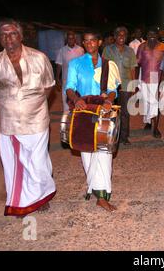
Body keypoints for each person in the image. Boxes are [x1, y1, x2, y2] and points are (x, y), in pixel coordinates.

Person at [0, 20, 56, 217]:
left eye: (12, 34)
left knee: (38, 162)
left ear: (21, 36)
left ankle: (42, 195)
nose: (8, 38)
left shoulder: (39, 58)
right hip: (10, 123)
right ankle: (21, 203)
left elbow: (49, 85)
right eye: (4, 35)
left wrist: (37, 104)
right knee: (15, 164)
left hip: (37, 120)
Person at [65, 31, 121, 212]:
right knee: (87, 154)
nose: (90, 43)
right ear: (83, 43)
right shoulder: (75, 64)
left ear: (100, 41)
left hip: (103, 112)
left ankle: (102, 196)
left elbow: (113, 89)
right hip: (83, 112)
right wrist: (75, 100)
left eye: (93, 40)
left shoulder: (109, 65)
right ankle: (93, 187)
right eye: (86, 41)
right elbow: (69, 88)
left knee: (103, 154)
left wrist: (109, 100)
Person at [102, 26, 137, 145]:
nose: (121, 37)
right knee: (111, 111)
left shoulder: (130, 51)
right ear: (115, 36)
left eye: (124, 35)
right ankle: (111, 136)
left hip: (126, 85)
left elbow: (133, 69)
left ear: (126, 37)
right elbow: (104, 68)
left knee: (125, 112)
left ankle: (124, 137)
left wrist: (134, 85)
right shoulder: (108, 50)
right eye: (119, 35)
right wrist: (103, 87)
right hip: (111, 86)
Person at [136, 27, 164, 138]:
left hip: (157, 77)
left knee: (155, 103)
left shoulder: (163, 47)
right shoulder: (142, 46)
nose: (152, 36)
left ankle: (155, 127)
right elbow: (137, 63)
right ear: (146, 36)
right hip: (144, 77)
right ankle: (148, 121)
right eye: (150, 34)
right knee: (147, 102)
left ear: (158, 35)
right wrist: (135, 81)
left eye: (154, 34)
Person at [55, 31, 84, 113]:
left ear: (75, 39)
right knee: (65, 96)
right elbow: (59, 64)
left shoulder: (81, 50)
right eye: (69, 38)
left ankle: (76, 113)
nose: (71, 40)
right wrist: (57, 78)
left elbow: (83, 65)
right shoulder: (62, 50)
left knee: (77, 96)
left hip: (78, 79)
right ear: (66, 40)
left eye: (72, 38)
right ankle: (66, 113)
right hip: (65, 78)